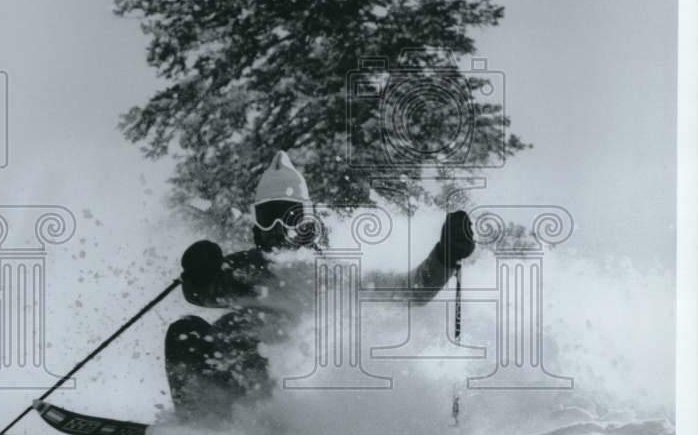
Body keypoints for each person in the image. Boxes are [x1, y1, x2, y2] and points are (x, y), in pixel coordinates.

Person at [165, 150, 475, 418]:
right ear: (256, 225)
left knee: (254, 336)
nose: (277, 230)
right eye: (267, 218)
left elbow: (413, 292)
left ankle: (258, 425)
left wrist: (445, 255)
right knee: (186, 330)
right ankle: (201, 421)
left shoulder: (328, 275)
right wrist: (199, 272)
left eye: (288, 218)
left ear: (306, 222)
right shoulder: (242, 269)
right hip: (233, 384)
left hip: (287, 388)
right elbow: (201, 295)